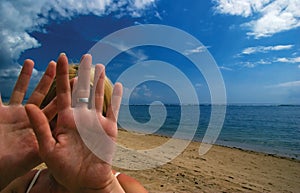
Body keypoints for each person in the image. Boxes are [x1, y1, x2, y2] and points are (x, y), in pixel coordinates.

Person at [1, 53, 148, 193]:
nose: (69, 130)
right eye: (56, 115)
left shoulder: (126, 188)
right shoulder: (23, 184)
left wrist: (103, 189)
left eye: (87, 121)